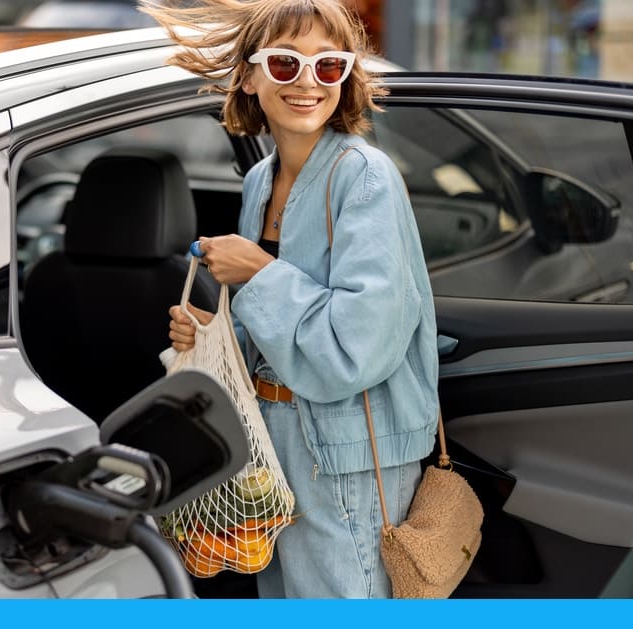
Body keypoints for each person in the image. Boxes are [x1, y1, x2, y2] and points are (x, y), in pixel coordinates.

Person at [144, 0, 440, 598]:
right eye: (285, 64)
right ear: (250, 77)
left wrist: (257, 274)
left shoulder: (365, 177)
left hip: (349, 455)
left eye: (329, 66)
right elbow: (281, 330)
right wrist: (215, 333)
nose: (307, 82)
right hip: (272, 443)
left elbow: (355, 347)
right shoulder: (261, 179)